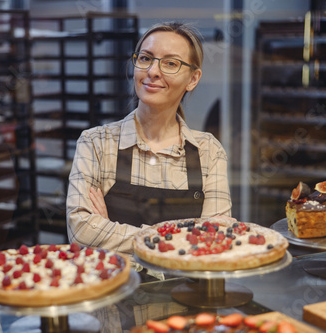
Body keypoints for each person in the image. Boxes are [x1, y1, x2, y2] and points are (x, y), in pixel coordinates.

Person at [66, 22, 232, 255]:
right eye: (145, 58)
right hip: (116, 286)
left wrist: (110, 231)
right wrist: (183, 238)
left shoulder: (209, 151)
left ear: (193, 79)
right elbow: (81, 231)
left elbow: (215, 239)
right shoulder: (95, 143)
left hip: (186, 290)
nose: (153, 71)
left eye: (171, 63)